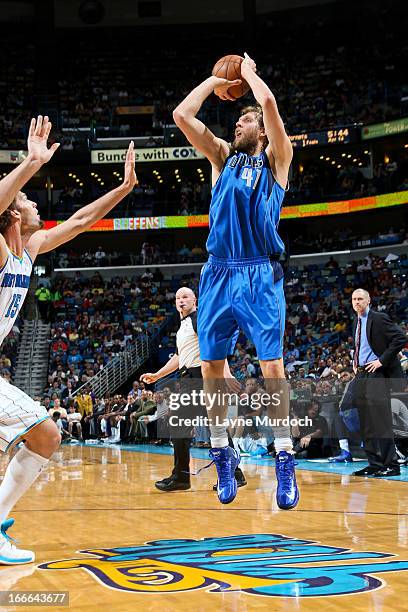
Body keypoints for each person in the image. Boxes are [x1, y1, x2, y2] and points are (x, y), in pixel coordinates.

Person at [0, 115, 136, 563]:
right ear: (15, 214)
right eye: (31, 200)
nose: (40, 205)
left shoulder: (29, 248)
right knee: (46, 434)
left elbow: (79, 222)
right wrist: (30, 162)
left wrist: (122, 190)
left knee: (44, 436)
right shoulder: (2, 247)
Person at [173, 53, 298, 508]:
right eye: (238, 123)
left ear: (260, 131)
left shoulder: (277, 159)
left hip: (259, 271)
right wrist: (213, 79)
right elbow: (182, 116)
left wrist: (248, 74)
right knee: (210, 369)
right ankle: (222, 450)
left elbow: (267, 105)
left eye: (244, 123)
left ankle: (285, 456)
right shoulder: (221, 158)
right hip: (219, 270)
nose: (237, 128)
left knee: (271, 369)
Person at [140, 287, 246, 492]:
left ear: (194, 300)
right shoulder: (182, 328)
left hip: (202, 378)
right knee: (196, 426)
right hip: (188, 380)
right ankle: (194, 476)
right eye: (178, 297)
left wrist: (226, 374)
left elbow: (217, 346)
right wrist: (157, 375)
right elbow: (180, 357)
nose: (181, 300)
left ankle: (186, 476)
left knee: (206, 427)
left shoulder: (199, 320)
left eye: (185, 297)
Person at [351, 288, 407, 477]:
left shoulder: (378, 318)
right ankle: (374, 463)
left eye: (360, 299)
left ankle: (391, 464)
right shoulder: (356, 320)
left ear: (368, 301)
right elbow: (361, 345)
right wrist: (354, 361)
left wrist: (381, 360)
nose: (356, 302)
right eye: (354, 299)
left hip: (377, 374)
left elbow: (400, 338)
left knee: (381, 422)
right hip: (361, 375)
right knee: (366, 422)